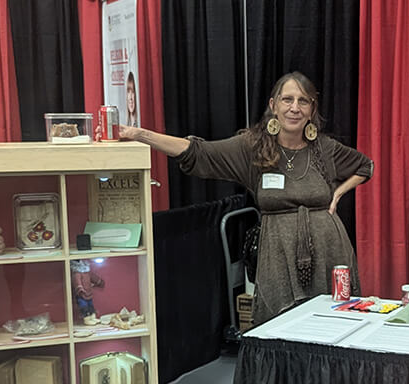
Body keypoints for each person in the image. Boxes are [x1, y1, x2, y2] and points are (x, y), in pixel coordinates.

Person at [120, 72, 372, 325]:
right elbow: (198, 152)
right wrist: (140, 134)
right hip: (277, 255)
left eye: (303, 101)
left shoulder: (325, 149)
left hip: (329, 251)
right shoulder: (253, 148)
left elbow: (365, 166)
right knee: (279, 326)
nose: (295, 108)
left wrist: (338, 193)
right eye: (287, 99)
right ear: (273, 105)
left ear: (312, 109)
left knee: (331, 325)